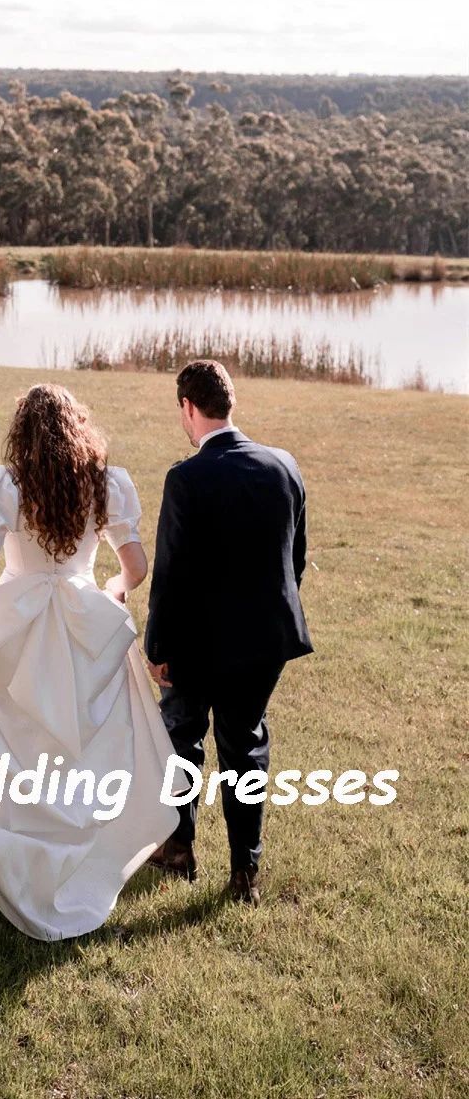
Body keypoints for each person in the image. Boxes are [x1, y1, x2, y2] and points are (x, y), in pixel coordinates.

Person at [0, 383, 181, 942]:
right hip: (83, 624)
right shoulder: (106, 485)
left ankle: (20, 854)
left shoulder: (7, 484)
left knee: (16, 745)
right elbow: (136, 564)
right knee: (82, 753)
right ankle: (74, 860)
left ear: (21, 433)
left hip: (17, 622)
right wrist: (115, 590)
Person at [145, 359, 313, 906]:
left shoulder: (186, 477)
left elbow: (168, 575)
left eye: (182, 413)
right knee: (245, 746)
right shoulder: (284, 466)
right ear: (230, 404)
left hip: (196, 643)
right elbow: (297, 560)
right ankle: (245, 873)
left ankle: (178, 847)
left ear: (189, 408)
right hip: (264, 641)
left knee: (182, 739)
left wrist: (158, 648)